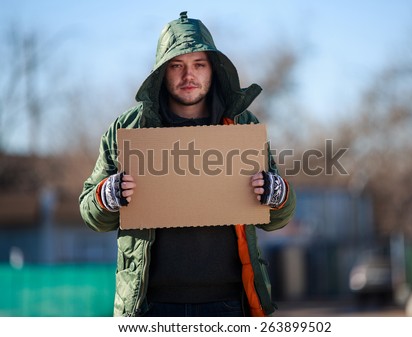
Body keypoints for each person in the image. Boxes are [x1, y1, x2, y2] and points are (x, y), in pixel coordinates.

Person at [79, 11, 296, 317]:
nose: (188, 75)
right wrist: (108, 195)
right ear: (161, 72)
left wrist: (276, 194)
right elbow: (90, 211)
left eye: (198, 65)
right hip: (149, 306)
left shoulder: (240, 125)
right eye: (176, 66)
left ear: (213, 69)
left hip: (230, 304)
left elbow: (276, 218)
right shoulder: (129, 129)